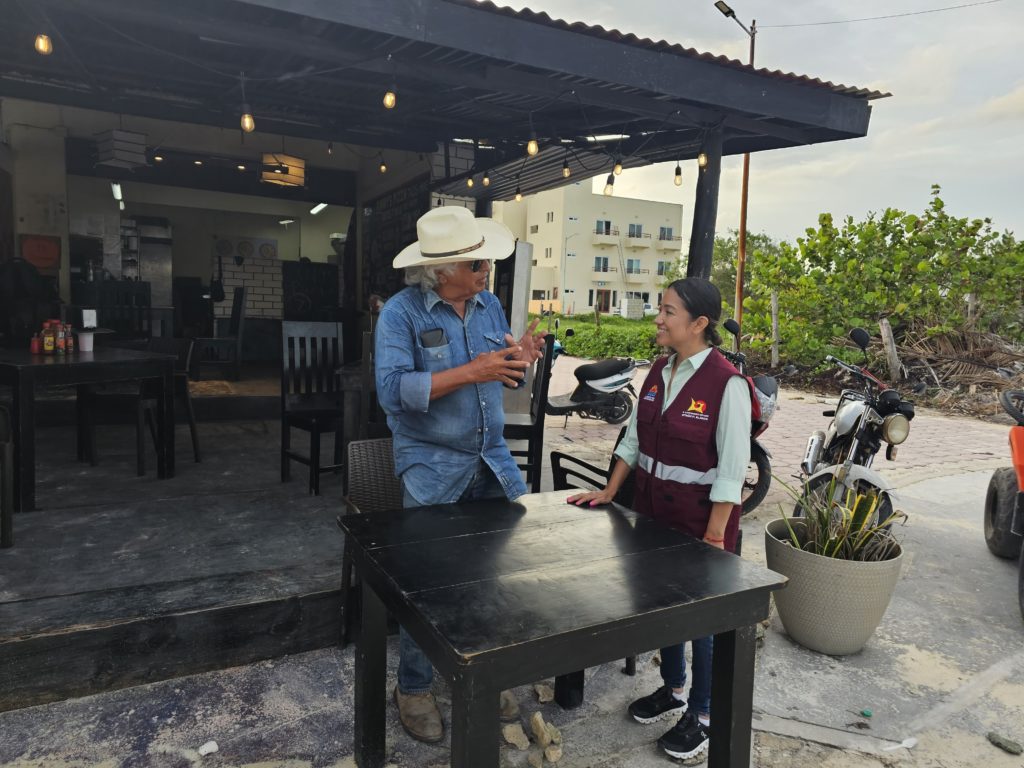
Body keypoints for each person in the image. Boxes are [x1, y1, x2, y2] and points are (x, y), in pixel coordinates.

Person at [374, 205, 547, 744]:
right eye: (476, 264)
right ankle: (414, 687)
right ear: (440, 271)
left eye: (485, 260)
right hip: (432, 466)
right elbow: (393, 392)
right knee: (426, 585)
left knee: (489, 577)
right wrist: (472, 370)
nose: (486, 270)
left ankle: (478, 670)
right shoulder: (401, 314)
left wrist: (520, 360)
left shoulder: (488, 304)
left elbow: (505, 378)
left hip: (490, 459)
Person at [566, 277, 752, 765]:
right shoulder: (659, 370)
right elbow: (633, 440)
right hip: (653, 517)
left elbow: (732, 469)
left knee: (703, 623)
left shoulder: (727, 384)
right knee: (664, 607)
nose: (659, 319)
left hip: (700, 526)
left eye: (669, 311)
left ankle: (704, 714)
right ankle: (673, 689)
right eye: (661, 309)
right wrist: (610, 490)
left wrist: (715, 537)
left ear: (700, 323)